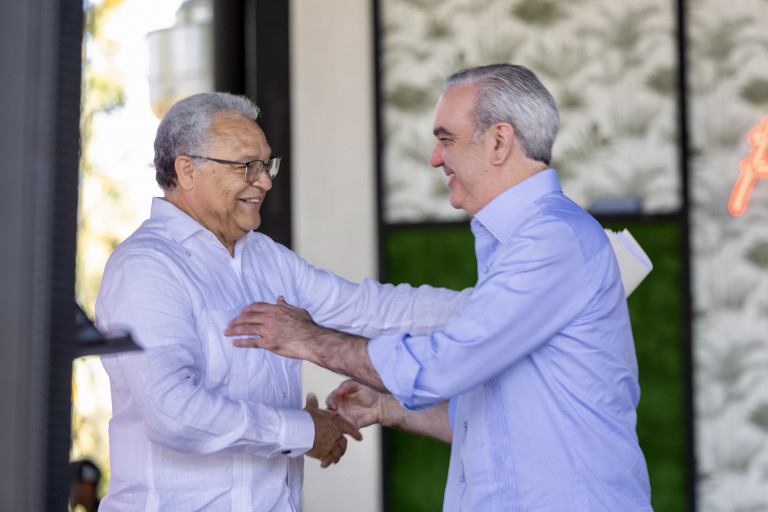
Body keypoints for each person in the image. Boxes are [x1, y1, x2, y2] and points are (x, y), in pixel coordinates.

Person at [225, 64, 654, 511]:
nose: (434, 158)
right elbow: (500, 422)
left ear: (499, 141)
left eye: (446, 138)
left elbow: (442, 365)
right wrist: (387, 408)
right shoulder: (523, 240)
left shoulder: (552, 238)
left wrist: (309, 339)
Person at [95, 92, 471, 511]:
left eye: (267, 165)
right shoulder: (146, 266)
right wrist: (304, 431)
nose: (265, 182)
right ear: (187, 171)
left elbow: (373, 311)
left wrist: (493, 308)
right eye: (247, 166)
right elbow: (172, 412)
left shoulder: (265, 257)